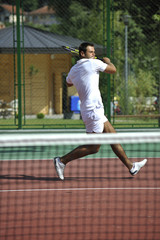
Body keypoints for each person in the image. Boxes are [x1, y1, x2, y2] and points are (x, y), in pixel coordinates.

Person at [54, 42, 147, 180]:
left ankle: (131, 167)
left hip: (92, 110)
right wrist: (107, 61)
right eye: (91, 52)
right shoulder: (93, 63)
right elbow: (113, 69)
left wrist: (82, 75)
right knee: (93, 148)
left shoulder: (74, 69)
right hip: (93, 111)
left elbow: (68, 82)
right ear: (82, 53)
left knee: (113, 137)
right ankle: (61, 161)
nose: (94, 54)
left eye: (94, 52)